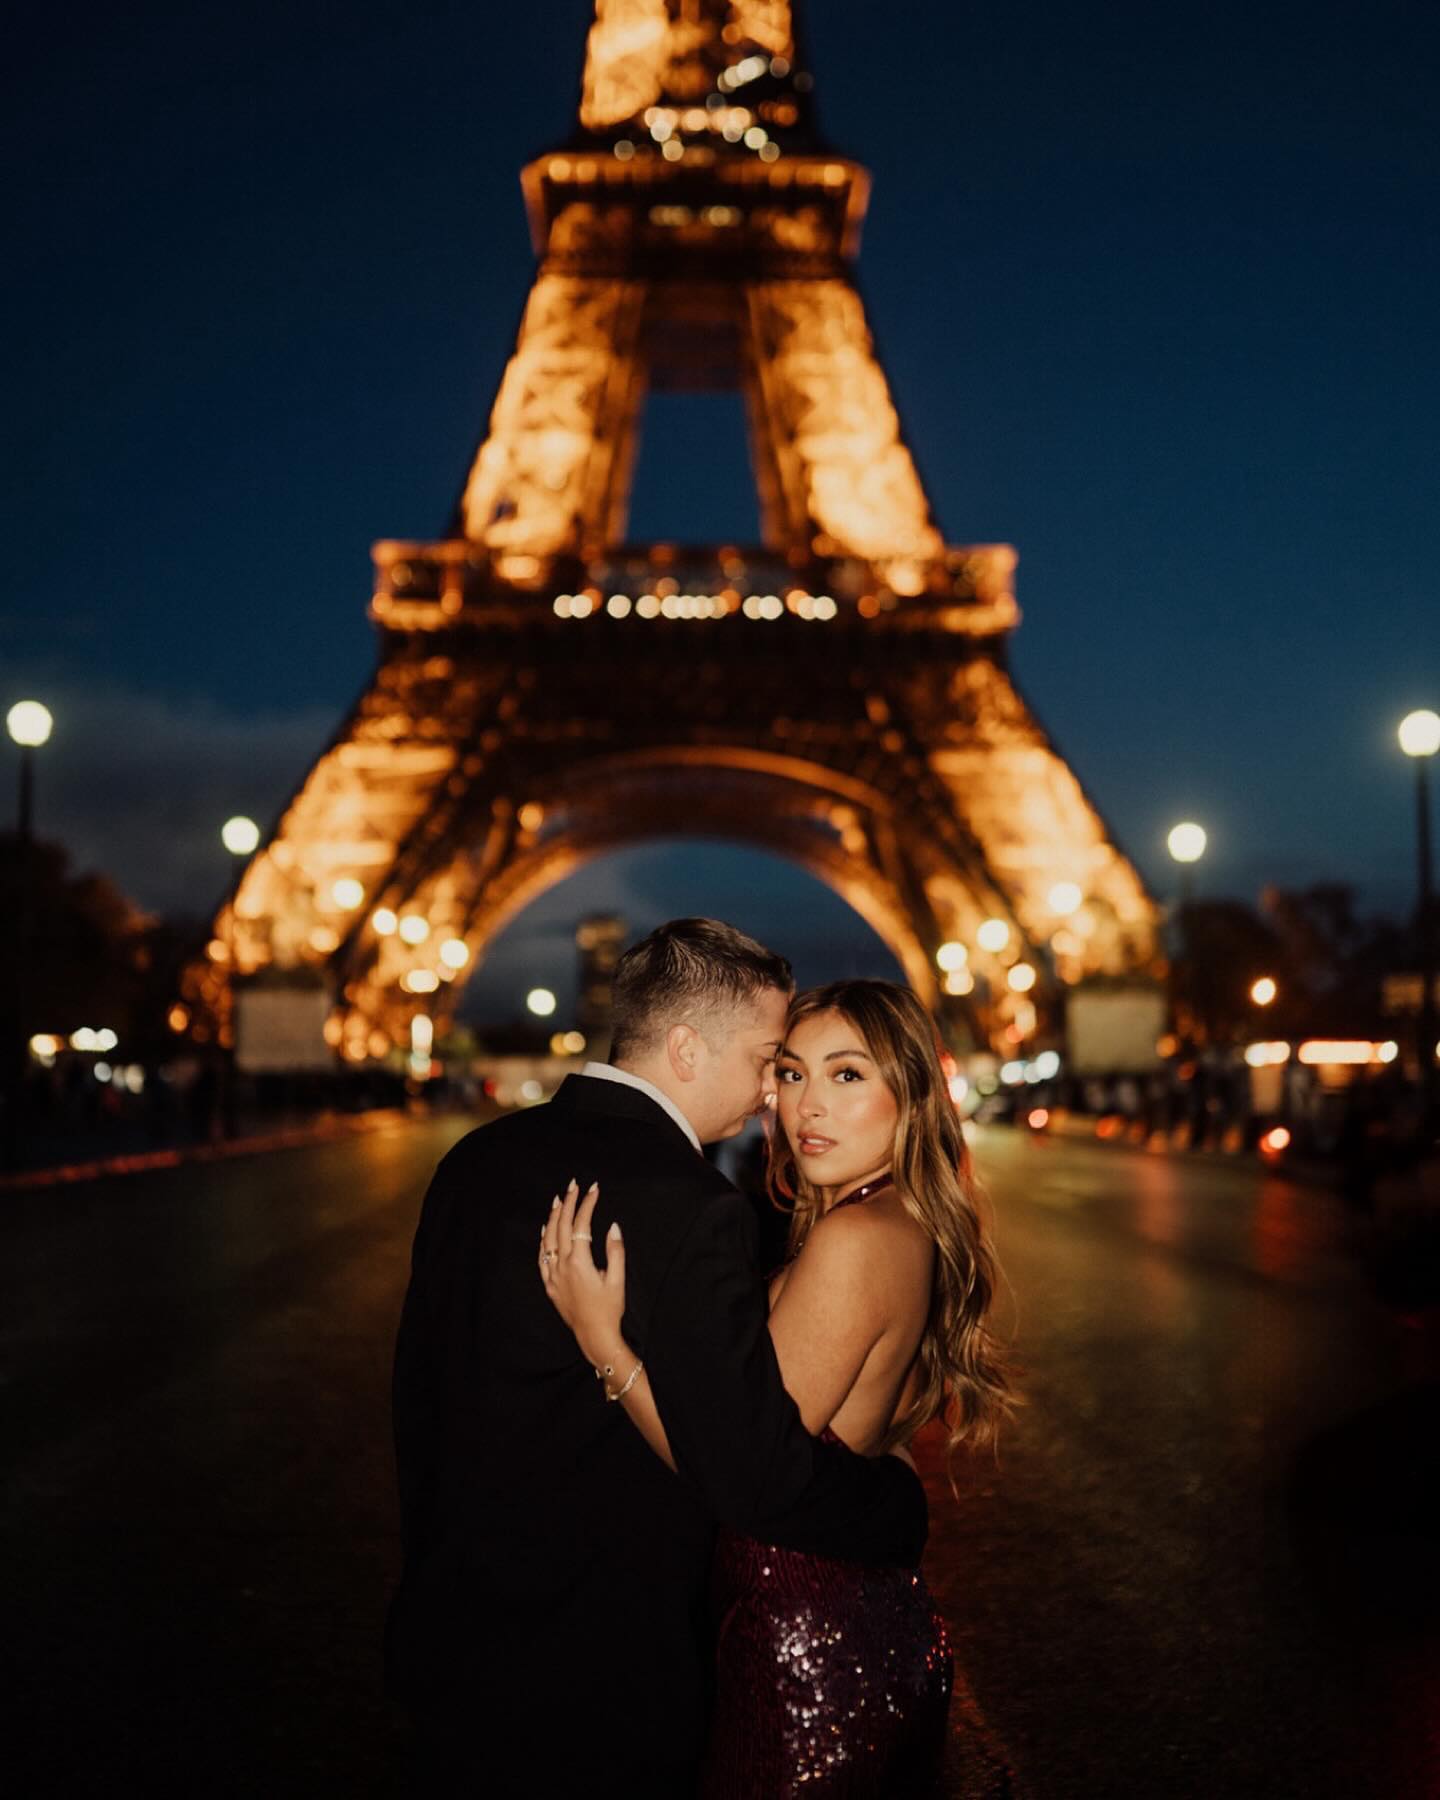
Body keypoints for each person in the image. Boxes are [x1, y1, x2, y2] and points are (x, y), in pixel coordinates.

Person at [387, 923, 928, 1797]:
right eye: (771, 1062)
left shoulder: (473, 1162)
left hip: (452, 1641)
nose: (771, 1096)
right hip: (606, 1681)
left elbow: (420, 1405)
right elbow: (758, 1475)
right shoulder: (691, 1207)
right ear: (685, 1047)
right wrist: (895, 1505)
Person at [541, 978, 1017, 1797]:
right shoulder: (904, 1222)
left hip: (805, 1644)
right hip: (860, 1624)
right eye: (791, 1074)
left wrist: (602, 1342)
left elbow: (742, 1469)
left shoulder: (853, 1239)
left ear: (911, 1093)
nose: (807, 1107)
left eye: (847, 1075)